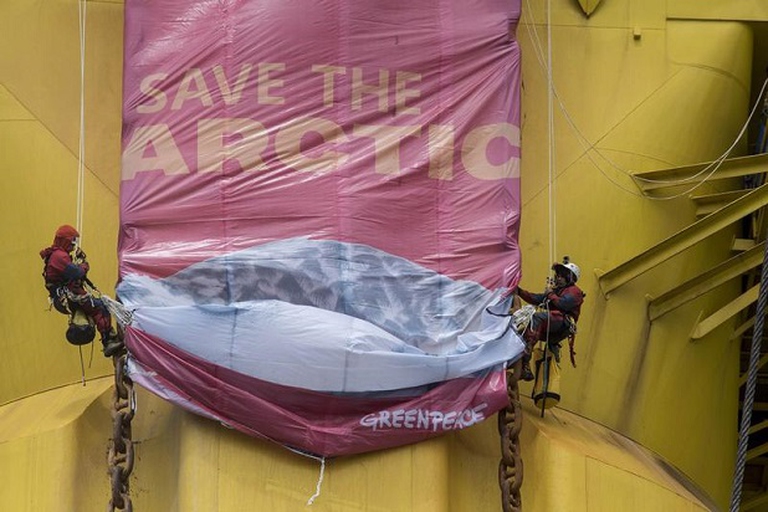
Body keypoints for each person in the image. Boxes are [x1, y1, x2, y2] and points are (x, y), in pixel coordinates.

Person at [40, 224, 123, 356]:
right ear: (65, 240)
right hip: (67, 298)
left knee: (96, 306)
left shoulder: (58, 255)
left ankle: (109, 337)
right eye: (73, 241)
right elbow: (77, 273)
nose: (74, 244)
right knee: (100, 307)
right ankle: (108, 341)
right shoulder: (59, 256)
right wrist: (84, 265)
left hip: (66, 297)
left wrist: (80, 261)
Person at [515, 257, 585, 381]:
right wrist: (519, 291)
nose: (558, 278)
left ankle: (525, 353)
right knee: (525, 327)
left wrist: (550, 294)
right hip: (553, 326)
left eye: (562, 276)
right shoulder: (556, 292)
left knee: (537, 318)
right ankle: (524, 366)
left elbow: (563, 304)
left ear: (570, 277)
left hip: (562, 324)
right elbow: (536, 298)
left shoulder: (575, 291)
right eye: (557, 275)